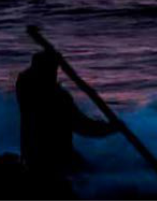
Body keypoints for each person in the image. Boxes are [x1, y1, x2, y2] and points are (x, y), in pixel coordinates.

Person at [15, 50, 115, 186]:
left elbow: (28, 76)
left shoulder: (25, 87)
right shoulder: (58, 98)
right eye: (54, 69)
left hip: (31, 155)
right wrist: (111, 129)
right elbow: (83, 126)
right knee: (94, 177)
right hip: (58, 158)